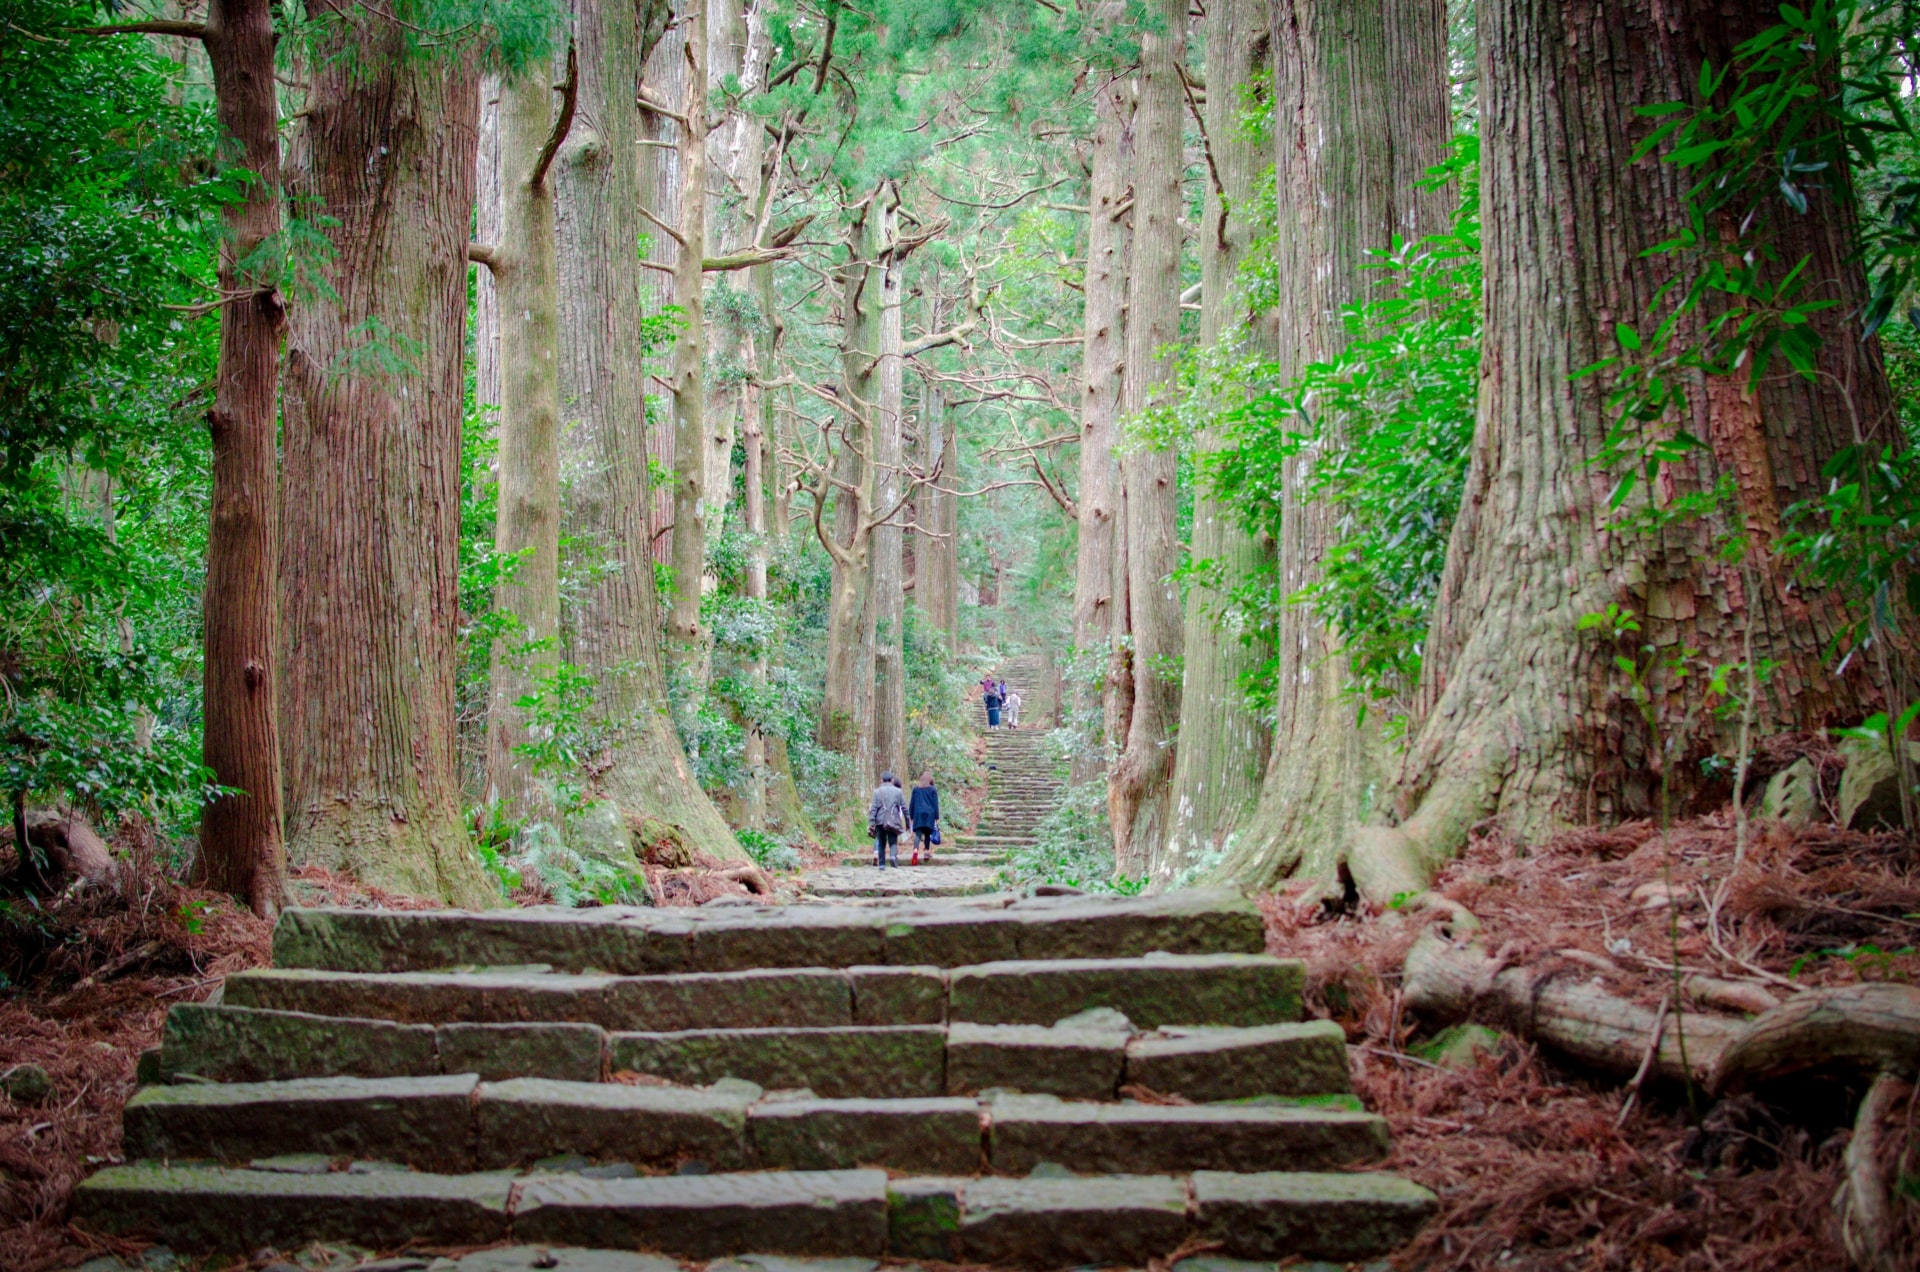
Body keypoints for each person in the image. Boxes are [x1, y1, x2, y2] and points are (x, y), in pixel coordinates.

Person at [869, 772, 907, 868]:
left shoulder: (877, 792)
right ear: (892, 780)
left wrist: (871, 822)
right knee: (893, 841)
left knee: (881, 842)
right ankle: (893, 857)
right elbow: (904, 808)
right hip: (893, 820)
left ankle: (882, 864)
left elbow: (873, 808)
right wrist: (908, 822)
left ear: (881, 780)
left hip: (880, 821)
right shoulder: (898, 792)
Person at [909, 770, 941, 865]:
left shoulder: (916, 789)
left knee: (918, 833)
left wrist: (911, 815)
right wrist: (937, 817)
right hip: (929, 814)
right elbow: (935, 804)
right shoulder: (932, 789)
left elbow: (912, 803)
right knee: (927, 833)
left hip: (918, 813)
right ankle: (926, 851)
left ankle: (915, 850)